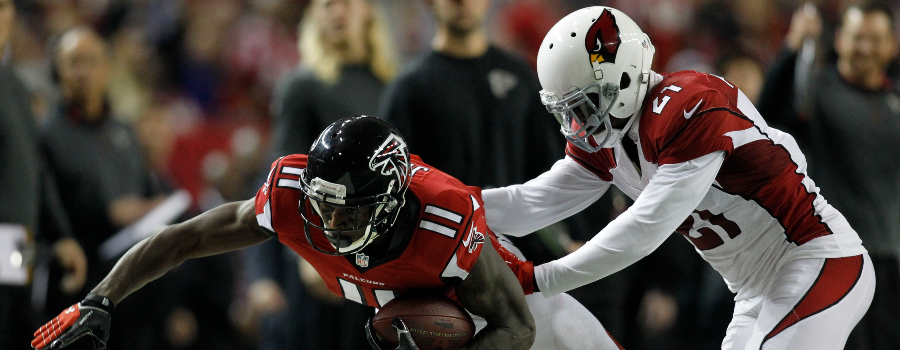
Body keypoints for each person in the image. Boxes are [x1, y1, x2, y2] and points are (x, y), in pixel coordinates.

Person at [32, 116, 623, 350]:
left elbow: (516, 327)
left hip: (521, 308)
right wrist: (101, 297)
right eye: (324, 207)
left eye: (350, 210)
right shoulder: (294, 198)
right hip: (417, 320)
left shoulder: (445, 218)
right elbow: (183, 238)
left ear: (392, 201)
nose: (331, 224)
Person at [481, 6, 875, 350]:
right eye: (568, 111)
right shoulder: (612, 134)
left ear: (622, 80)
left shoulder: (688, 104)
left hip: (816, 257)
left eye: (586, 104)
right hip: (754, 290)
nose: (579, 123)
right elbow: (532, 200)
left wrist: (540, 278)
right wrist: (451, 203)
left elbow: (645, 228)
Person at [248, 0, 399, 348]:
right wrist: (302, 255)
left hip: (382, 257)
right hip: (324, 249)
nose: (336, 13)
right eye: (327, 5)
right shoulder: (303, 86)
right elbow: (284, 180)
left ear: (368, 12)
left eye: (345, 3)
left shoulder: (395, 84)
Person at [756, 3, 900, 349]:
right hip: (838, 260)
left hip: (891, 262)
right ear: (838, 39)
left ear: (892, 45)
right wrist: (792, 49)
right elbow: (766, 115)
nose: (865, 48)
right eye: (857, 38)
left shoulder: (895, 99)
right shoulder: (815, 91)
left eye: (875, 39)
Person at [40, 26, 172, 349]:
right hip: (78, 284)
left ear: (108, 68)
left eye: (92, 61)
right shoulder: (45, 136)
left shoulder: (125, 132)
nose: (84, 71)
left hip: (132, 284)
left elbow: (144, 190)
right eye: (74, 62)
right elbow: (44, 209)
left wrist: (149, 209)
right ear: (58, 70)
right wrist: (106, 212)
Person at [0, 0, 87, 347]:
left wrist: (60, 233)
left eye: (6, 7)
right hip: (8, 245)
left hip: (16, 248)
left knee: (16, 330)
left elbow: (35, 166)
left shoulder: (13, 84)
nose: (3, 16)